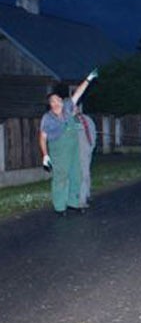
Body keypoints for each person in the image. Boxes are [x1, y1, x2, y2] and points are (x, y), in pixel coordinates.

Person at [39, 68, 99, 215]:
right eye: (53, 101)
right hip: (59, 150)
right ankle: (60, 207)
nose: (57, 103)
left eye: (59, 100)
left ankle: (74, 203)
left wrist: (88, 79)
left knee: (76, 175)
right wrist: (45, 155)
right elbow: (42, 137)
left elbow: (78, 92)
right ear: (50, 104)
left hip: (73, 148)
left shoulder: (67, 107)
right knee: (61, 177)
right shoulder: (47, 118)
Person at [74, 103, 97, 208]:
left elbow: (93, 133)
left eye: (75, 107)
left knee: (85, 174)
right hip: (72, 152)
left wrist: (91, 147)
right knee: (79, 175)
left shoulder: (87, 119)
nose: (74, 109)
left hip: (85, 150)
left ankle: (84, 197)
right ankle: (79, 198)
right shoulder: (67, 121)